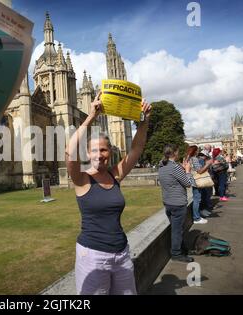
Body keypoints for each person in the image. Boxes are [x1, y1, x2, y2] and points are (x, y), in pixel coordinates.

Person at [66, 92, 152, 295]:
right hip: (93, 256)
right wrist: (91, 116)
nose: (99, 155)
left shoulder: (115, 176)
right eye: (94, 150)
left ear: (110, 152)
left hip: (121, 254)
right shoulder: (81, 180)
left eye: (103, 150)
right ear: (88, 153)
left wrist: (144, 121)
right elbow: (69, 152)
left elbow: (137, 148)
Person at [158, 144, 195, 263]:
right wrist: (188, 171)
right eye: (178, 151)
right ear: (174, 153)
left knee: (176, 229)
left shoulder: (161, 165)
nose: (179, 153)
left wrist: (182, 169)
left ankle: (182, 249)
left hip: (168, 203)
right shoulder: (175, 167)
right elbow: (189, 183)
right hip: (178, 204)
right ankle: (176, 253)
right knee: (177, 230)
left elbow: (173, 180)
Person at [185, 145, 212, 224]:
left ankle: (197, 216)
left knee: (197, 199)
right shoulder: (194, 159)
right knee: (197, 200)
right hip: (196, 181)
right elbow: (199, 171)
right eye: (197, 150)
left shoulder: (188, 158)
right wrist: (207, 164)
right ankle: (196, 218)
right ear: (195, 151)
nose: (198, 151)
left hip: (193, 181)